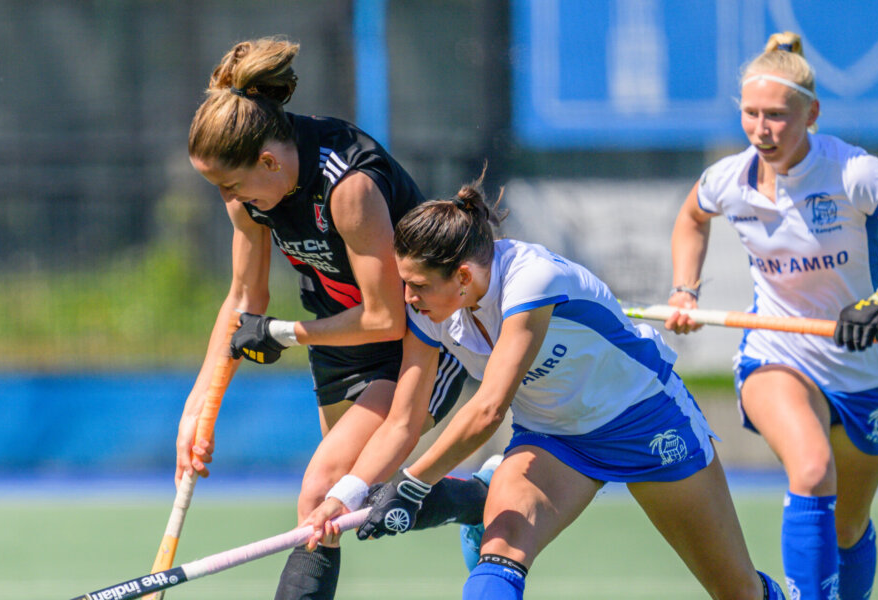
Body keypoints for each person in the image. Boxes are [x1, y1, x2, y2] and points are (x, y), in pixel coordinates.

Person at [303, 177, 787, 600]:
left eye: (418, 286)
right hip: (553, 440)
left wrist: (411, 484)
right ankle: (490, 493)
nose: (407, 298)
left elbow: (489, 409)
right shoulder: (430, 311)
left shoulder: (532, 280)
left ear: (463, 276)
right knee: (501, 550)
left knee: (737, 591)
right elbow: (403, 421)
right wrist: (346, 495)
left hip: (644, 419)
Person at [177, 36, 485, 600]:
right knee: (353, 499)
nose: (228, 198)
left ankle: (484, 499)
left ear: (268, 162)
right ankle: (479, 499)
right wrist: (200, 405)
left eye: (230, 184)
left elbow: (387, 317)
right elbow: (245, 294)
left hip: (420, 340)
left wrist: (284, 333)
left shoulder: (348, 187)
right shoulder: (250, 193)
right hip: (339, 340)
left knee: (322, 496)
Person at [664, 32, 878, 600]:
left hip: (864, 368)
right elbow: (691, 218)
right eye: (751, 114)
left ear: (812, 114)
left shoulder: (852, 172)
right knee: (810, 469)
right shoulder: (729, 179)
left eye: (777, 116)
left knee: (847, 527)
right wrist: (684, 290)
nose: (762, 130)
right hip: (776, 354)